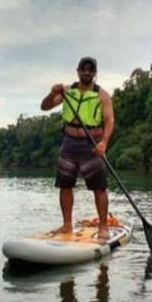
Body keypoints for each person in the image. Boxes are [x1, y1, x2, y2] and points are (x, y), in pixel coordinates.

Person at [40, 56, 115, 239]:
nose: (87, 73)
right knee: (65, 185)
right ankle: (67, 225)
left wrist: (104, 142)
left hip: (92, 144)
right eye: (84, 69)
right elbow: (45, 107)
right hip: (69, 143)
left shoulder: (102, 95)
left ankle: (103, 227)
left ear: (95, 73)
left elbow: (109, 120)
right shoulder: (66, 91)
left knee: (99, 187)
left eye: (90, 70)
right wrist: (52, 93)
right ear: (78, 71)